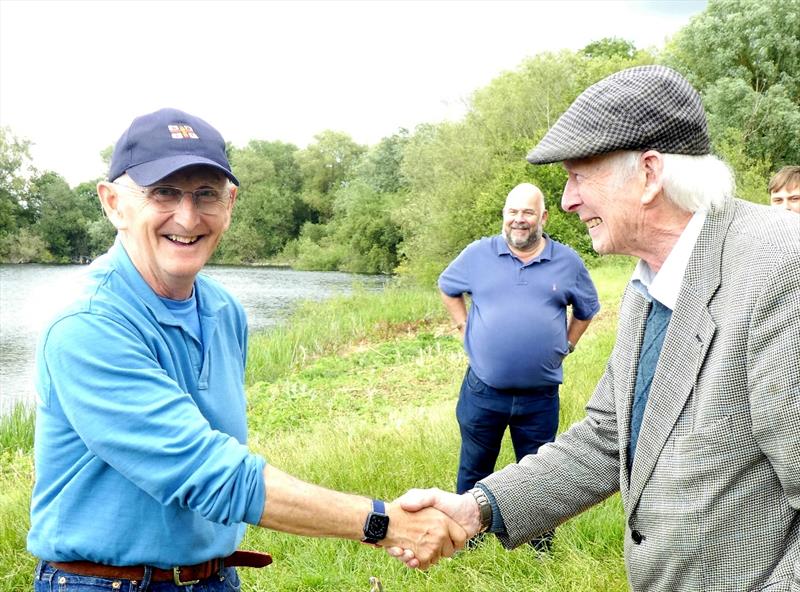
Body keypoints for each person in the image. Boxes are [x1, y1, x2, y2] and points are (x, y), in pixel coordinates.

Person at [388, 66, 800, 591]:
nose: (566, 201)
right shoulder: (649, 280)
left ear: (649, 174)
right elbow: (608, 438)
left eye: (579, 176)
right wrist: (477, 508)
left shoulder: (782, 269)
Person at [28, 108, 466, 592]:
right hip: (105, 584)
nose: (188, 217)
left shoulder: (224, 310)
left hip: (214, 577)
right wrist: (383, 522)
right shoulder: (88, 324)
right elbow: (206, 472)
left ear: (230, 203)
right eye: (164, 193)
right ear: (113, 204)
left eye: (206, 194)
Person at [438, 183, 598, 511]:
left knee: (539, 475)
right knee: (474, 469)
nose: (519, 219)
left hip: (539, 398)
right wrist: (463, 326)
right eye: (513, 212)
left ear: (544, 217)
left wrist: (567, 344)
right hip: (483, 391)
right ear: (504, 215)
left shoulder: (567, 262)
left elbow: (587, 309)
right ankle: (468, 541)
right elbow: (447, 287)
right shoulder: (478, 254)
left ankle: (540, 546)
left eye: (528, 212)